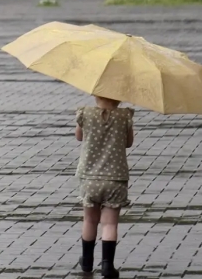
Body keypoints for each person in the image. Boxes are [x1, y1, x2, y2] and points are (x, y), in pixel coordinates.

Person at [75, 96, 134, 279]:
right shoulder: (124, 116)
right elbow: (128, 143)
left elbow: (79, 136)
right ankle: (107, 265)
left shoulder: (85, 113)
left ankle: (87, 261)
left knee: (90, 220)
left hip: (90, 178)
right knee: (109, 223)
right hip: (115, 179)